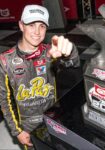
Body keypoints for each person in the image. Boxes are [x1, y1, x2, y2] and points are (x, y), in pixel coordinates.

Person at [0, 4, 80, 150]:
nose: (37, 31)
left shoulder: (51, 52)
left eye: (42, 26)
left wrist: (71, 51)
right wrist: (17, 131)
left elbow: (73, 64)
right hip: (27, 126)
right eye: (31, 25)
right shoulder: (5, 60)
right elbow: (3, 100)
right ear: (21, 25)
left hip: (53, 119)